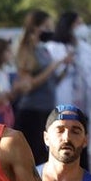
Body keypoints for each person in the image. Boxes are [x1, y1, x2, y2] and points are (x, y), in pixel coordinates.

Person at [14, 9, 70, 165]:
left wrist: (63, 67)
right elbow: (28, 85)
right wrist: (52, 68)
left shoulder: (44, 49)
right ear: (36, 27)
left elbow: (51, 81)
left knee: (46, 157)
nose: (49, 30)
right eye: (46, 26)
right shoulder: (26, 50)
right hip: (32, 110)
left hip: (47, 109)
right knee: (32, 157)